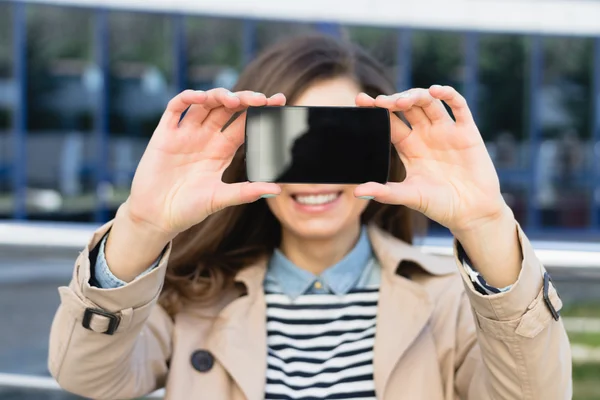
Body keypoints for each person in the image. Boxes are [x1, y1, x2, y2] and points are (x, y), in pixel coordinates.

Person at [48, 35, 571, 400]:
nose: (313, 178)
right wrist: (142, 225)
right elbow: (85, 375)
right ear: (249, 153)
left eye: (336, 143)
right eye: (292, 145)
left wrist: (485, 223)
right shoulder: (194, 294)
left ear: (380, 153)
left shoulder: (451, 301)